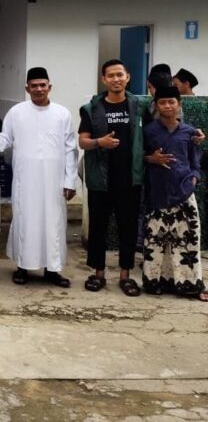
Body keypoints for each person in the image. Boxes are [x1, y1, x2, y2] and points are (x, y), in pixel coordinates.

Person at [0, 68, 78, 286]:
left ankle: (52, 270)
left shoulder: (62, 114)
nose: (39, 89)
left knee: (54, 224)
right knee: (25, 220)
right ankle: (22, 267)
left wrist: (70, 181)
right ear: (27, 88)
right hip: (25, 180)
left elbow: (71, 149)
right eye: (34, 86)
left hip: (55, 182)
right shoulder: (16, 112)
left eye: (43, 85)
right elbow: (4, 139)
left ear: (50, 87)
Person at [79, 59, 144, 297]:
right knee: (98, 227)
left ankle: (125, 276)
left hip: (130, 178)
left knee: (128, 228)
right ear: (103, 79)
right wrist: (100, 142)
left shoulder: (138, 106)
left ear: (128, 77)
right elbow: (82, 141)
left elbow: (154, 129)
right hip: (100, 178)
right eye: (111, 76)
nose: (116, 79)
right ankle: (98, 274)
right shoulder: (91, 108)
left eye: (120, 75)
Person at [141, 86, 207, 301]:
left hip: (184, 191)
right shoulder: (148, 131)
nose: (167, 106)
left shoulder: (190, 133)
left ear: (180, 104)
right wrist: (152, 159)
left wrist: (194, 178)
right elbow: (139, 157)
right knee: (157, 241)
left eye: (171, 102)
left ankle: (189, 284)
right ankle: (156, 282)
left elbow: (196, 162)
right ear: (156, 106)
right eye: (162, 102)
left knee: (188, 239)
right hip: (158, 192)